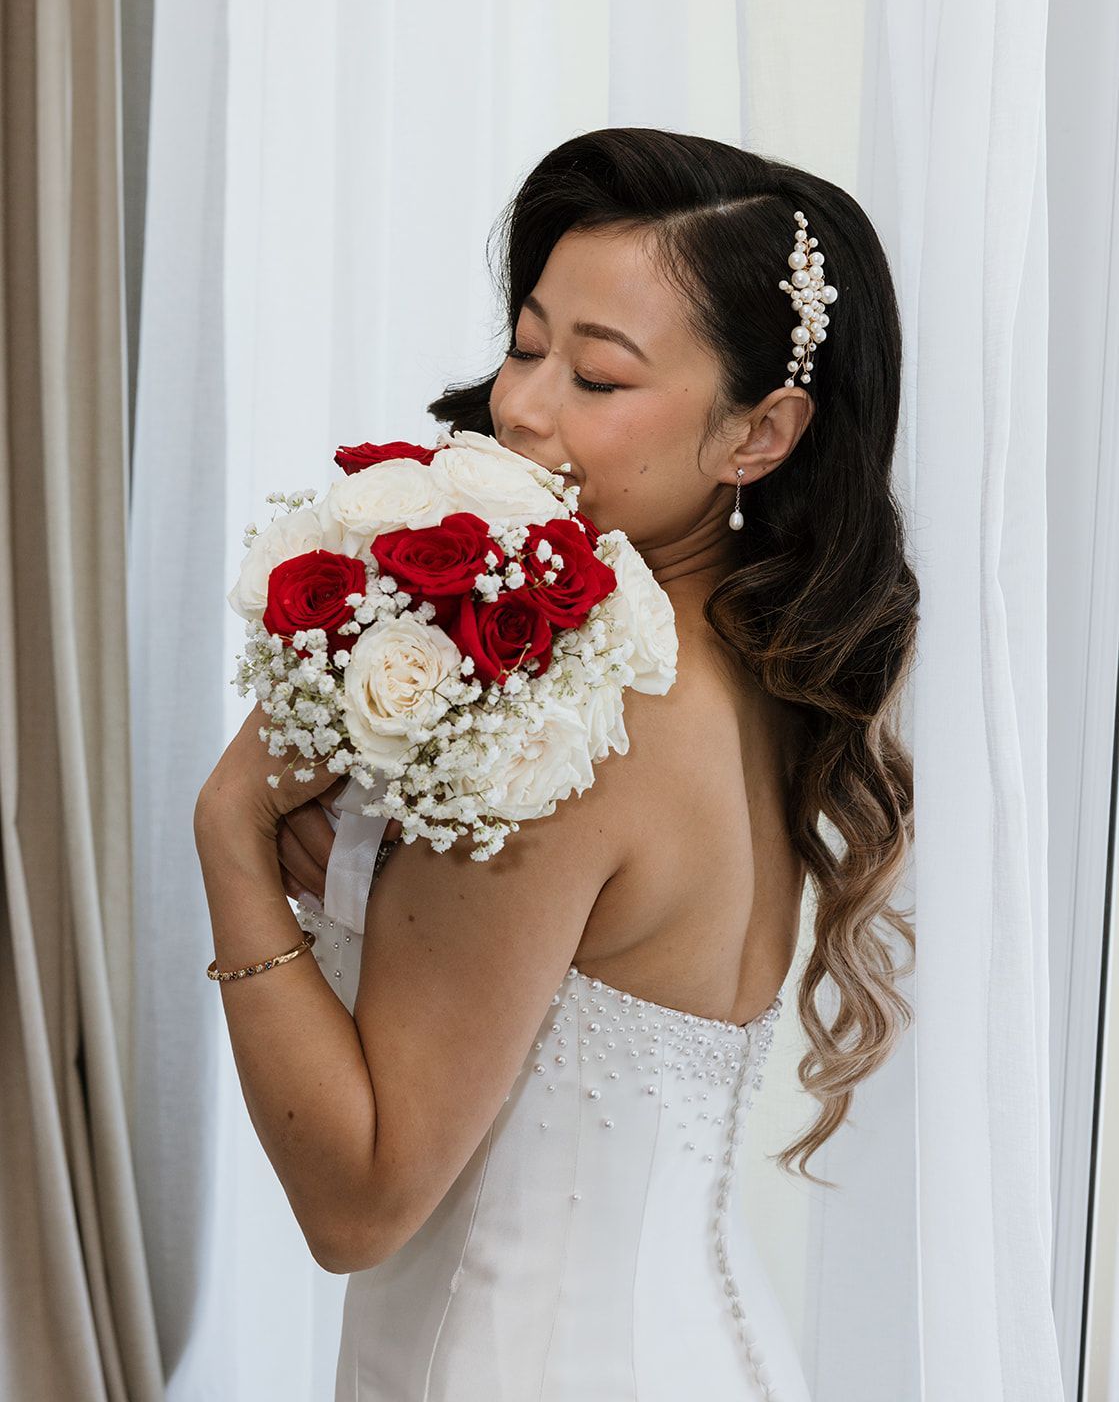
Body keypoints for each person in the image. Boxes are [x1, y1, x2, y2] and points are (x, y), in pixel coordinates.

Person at [195, 127, 918, 1401]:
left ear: (762, 431)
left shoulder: (577, 710)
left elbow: (358, 1203)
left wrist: (228, 837)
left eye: (598, 374)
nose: (521, 405)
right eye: (527, 345)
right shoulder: (753, 673)